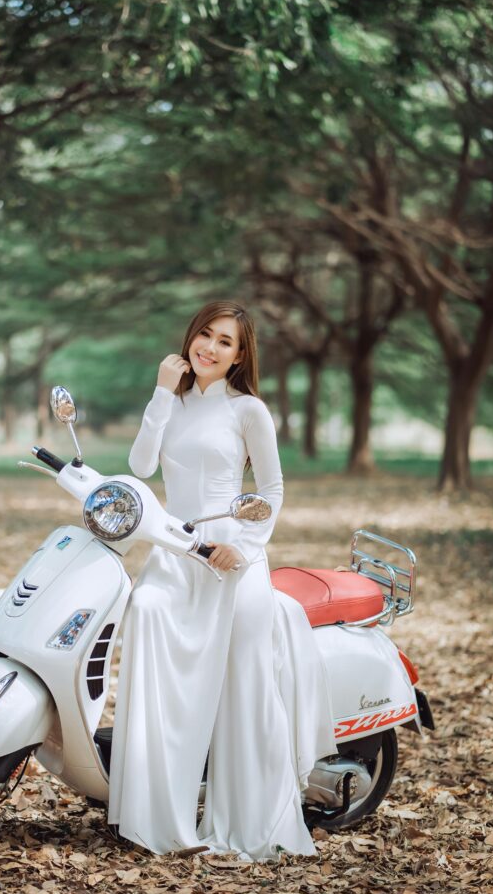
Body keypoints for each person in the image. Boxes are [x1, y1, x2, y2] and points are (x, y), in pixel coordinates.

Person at [107, 300, 337, 861]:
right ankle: (160, 811)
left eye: (225, 342)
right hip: (176, 552)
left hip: (234, 557)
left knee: (244, 685)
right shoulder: (173, 401)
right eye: (204, 334)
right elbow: (140, 468)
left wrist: (245, 546)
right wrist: (163, 391)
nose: (209, 347)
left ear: (239, 356)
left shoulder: (248, 410)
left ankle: (249, 818)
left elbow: (274, 489)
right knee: (148, 614)